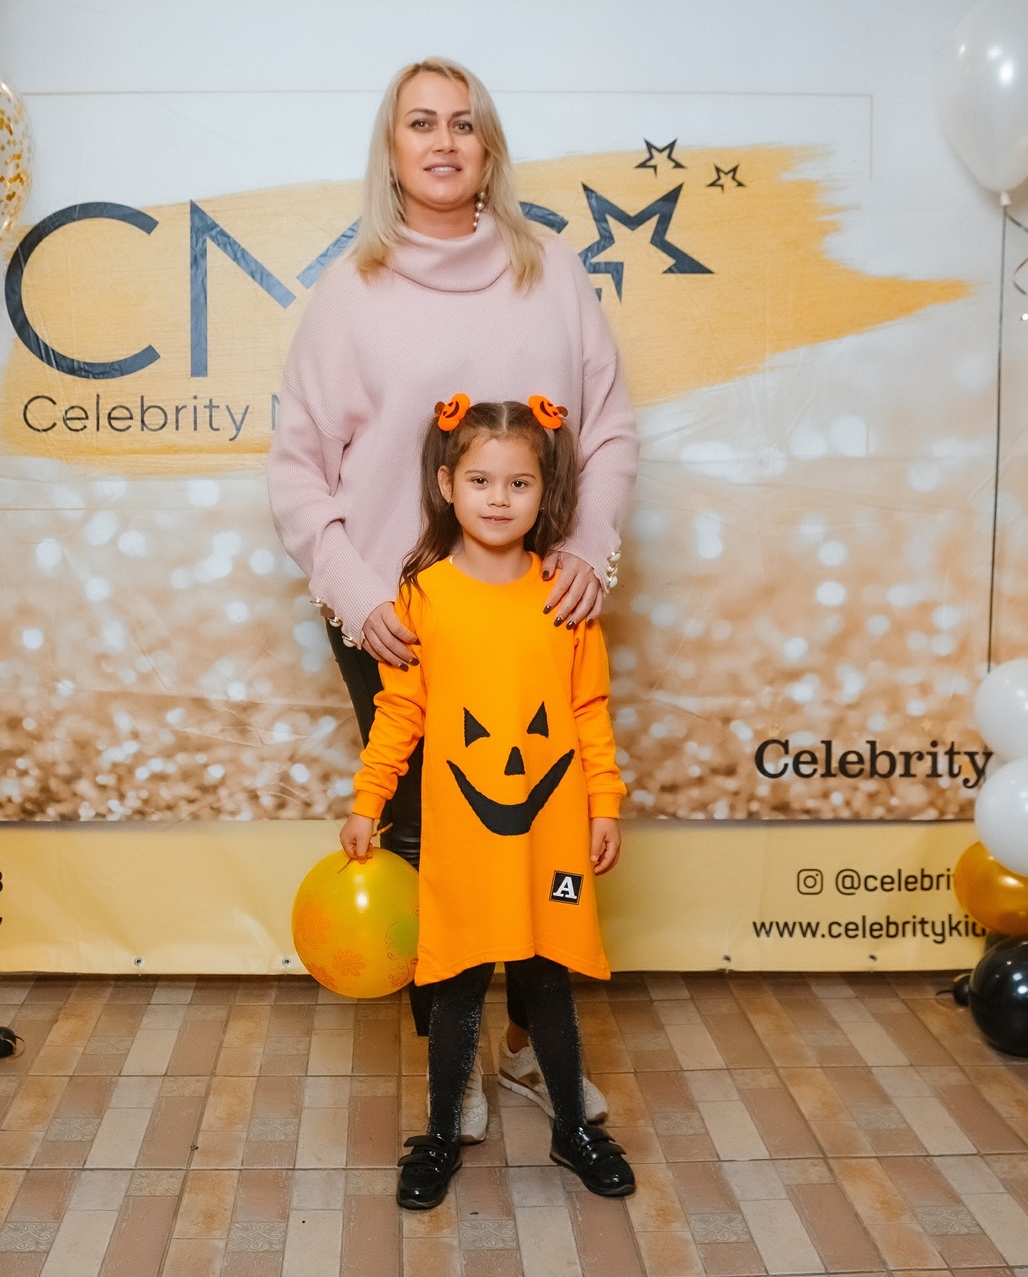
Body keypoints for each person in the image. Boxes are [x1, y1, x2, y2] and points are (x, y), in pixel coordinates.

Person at [268, 56, 637, 1144]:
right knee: (437, 850)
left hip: (535, 610)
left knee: (538, 830)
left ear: (489, 148)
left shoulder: (551, 272)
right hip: (401, 619)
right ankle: (457, 1062)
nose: (443, 141)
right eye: (420, 123)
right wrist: (357, 595)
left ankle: (528, 1046)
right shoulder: (353, 292)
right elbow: (296, 472)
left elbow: (609, 430)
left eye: (463, 124)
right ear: (392, 151)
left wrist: (591, 549)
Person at [339, 396, 636, 1210]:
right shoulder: (423, 596)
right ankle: (440, 1132)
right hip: (465, 834)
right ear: (447, 485)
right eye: (480, 480)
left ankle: (572, 1125)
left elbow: (588, 711)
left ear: (547, 493)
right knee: (458, 980)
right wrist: (368, 799)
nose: (498, 498)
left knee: (548, 976)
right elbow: (400, 712)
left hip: (551, 832)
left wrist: (604, 805)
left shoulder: (565, 598)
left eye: (518, 482)